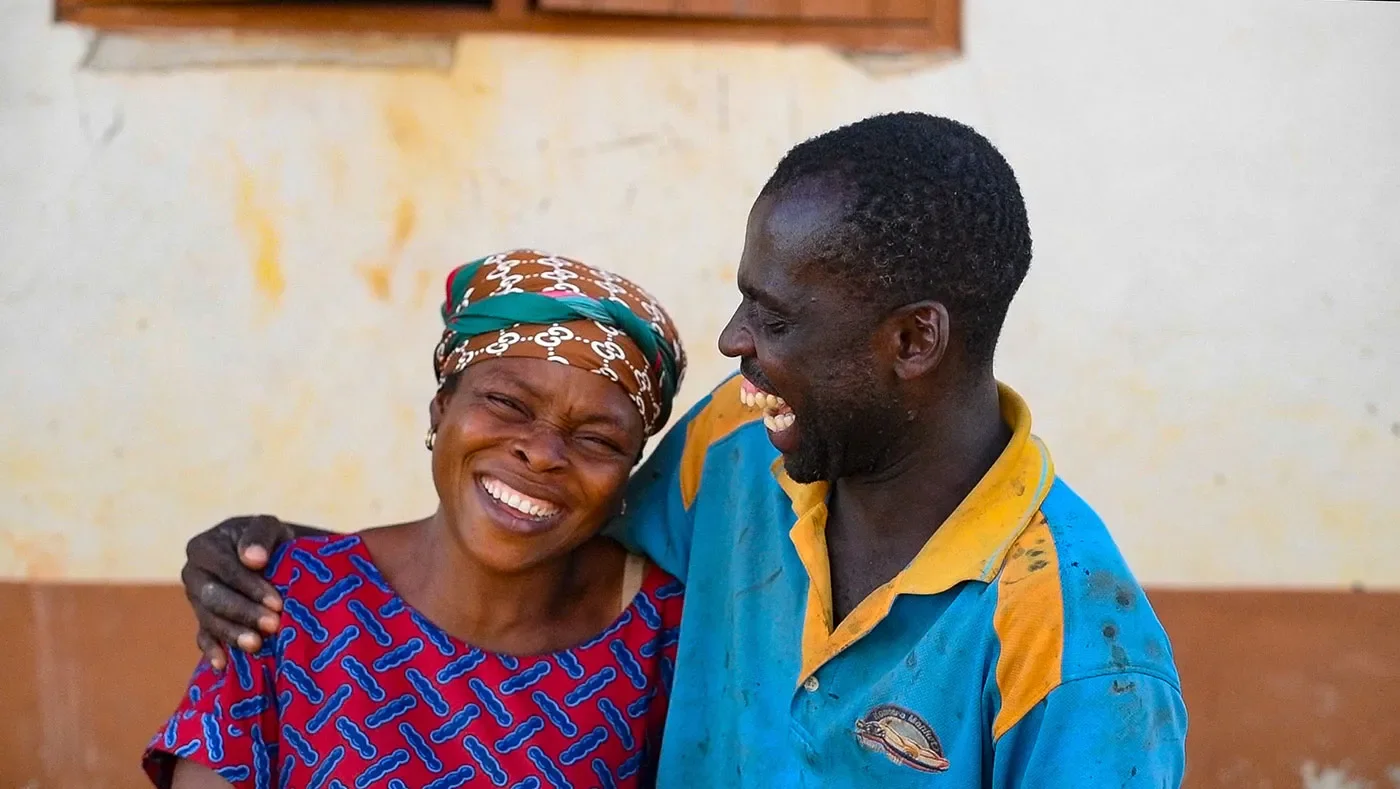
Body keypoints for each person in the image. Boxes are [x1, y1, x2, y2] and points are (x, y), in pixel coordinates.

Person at [177, 113, 1189, 786]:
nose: (734, 343)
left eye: (776, 316)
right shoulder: (737, 444)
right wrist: (278, 559)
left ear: (912, 341)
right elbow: (540, 522)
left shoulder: (1076, 652)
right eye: (744, 296)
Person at [143, 250, 688, 788]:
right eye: (507, 403)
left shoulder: (666, 637)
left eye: (597, 439)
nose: (542, 452)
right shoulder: (284, 605)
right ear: (440, 409)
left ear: (627, 476)